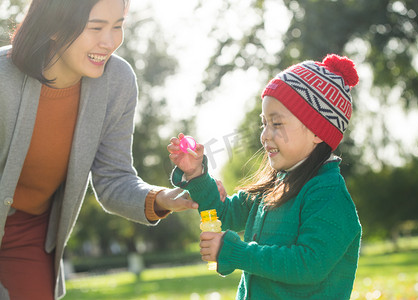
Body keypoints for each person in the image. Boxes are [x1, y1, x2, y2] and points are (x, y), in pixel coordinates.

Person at [0, 0, 199, 299]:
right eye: (96, 27)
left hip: (30, 232)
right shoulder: (4, 77)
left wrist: (165, 198)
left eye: (117, 26)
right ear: (54, 25)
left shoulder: (117, 82)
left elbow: (113, 178)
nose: (109, 42)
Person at [168, 54, 363, 299]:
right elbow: (223, 216)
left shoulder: (328, 194)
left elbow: (308, 265)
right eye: (264, 123)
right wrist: (196, 175)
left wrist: (235, 252)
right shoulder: (272, 186)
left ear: (317, 130)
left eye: (276, 124)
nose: (265, 135)